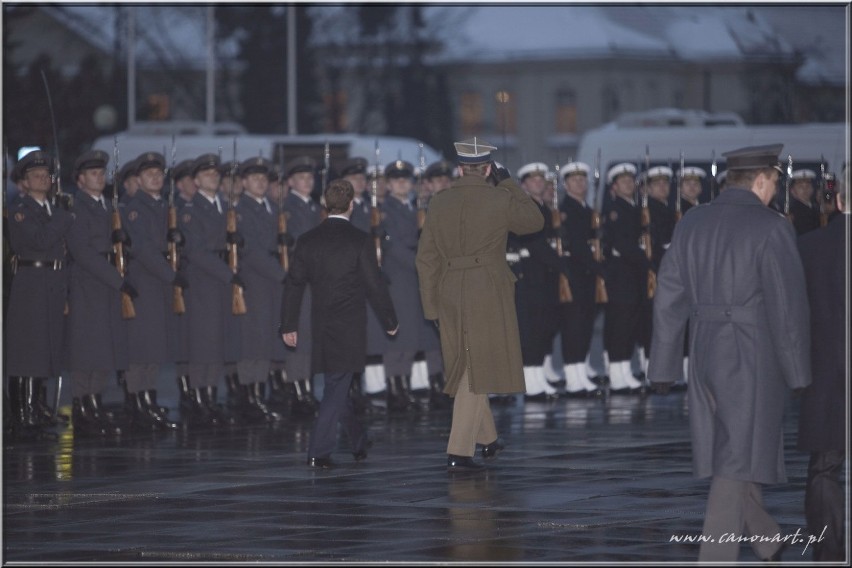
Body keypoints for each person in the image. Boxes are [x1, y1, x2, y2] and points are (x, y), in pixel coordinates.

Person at [648, 143, 811, 562]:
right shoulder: (772, 226)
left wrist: (664, 366)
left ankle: (766, 539)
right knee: (737, 459)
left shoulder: (691, 222)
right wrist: (799, 374)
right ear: (760, 180)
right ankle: (714, 557)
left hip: (703, 348)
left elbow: (668, 298)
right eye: (775, 182)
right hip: (750, 354)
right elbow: (787, 307)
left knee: (737, 446)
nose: (776, 190)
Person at [416, 137, 544, 472]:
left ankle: (487, 439)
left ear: (460, 168)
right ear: (488, 168)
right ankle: (459, 451)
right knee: (474, 367)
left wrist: (431, 306)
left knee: (469, 361)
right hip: (485, 288)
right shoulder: (499, 197)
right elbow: (535, 221)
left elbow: (426, 258)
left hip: (449, 288)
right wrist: (510, 184)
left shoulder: (439, 201)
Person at [281, 179, 398, 468]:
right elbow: (374, 285)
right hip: (349, 324)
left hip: (320, 322)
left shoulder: (307, 240)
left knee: (337, 382)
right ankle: (318, 451)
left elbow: (293, 284)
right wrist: (390, 320)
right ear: (351, 205)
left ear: (324, 204)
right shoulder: (359, 240)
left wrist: (288, 325)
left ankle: (358, 440)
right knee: (336, 386)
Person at [795, 163, 847, 561]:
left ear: (840, 199)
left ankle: (828, 553)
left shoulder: (809, 246)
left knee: (825, 468)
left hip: (828, 374)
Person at [4, 150, 74, 439]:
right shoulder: (21, 209)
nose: (43, 179)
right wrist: (61, 216)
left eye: (46, 175)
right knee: (27, 352)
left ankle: (36, 407)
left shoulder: (49, 209)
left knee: (44, 347)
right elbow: (39, 240)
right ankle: (24, 414)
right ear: (24, 183)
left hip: (52, 281)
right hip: (31, 282)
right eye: (36, 176)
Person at [65, 149, 133, 437]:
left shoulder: (108, 206)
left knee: (105, 348)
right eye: (93, 173)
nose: (99, 177)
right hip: (88, 285)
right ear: (80, 180)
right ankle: (83, 406)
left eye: (101, 173)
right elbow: (84, 253)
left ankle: (96, 402)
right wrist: (117, 280)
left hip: (106, 284)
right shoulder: (76, 208)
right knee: (87, 350)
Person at [177, 152, 238, 427]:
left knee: (217, 343)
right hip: (204, 281)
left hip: (221, 281)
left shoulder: (223, 208)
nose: (213, 177)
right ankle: (199, 398)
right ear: (197, 180)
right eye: (207, 175)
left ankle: (212, 397)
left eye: (216, 174)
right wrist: (229, 274)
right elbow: (198, 252)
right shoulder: (190, 211)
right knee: (202, 344)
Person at [121, 152, 181, 431]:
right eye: (149, 174)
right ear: (138, 180)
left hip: (159, 284)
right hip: (145, 282)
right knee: (141, 349)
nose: (156, 178)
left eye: (159, 174)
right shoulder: (136, 208)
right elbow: (144, 250)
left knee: (154, 346)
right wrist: (172, 276)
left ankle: (148, 400)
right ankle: (137, 404)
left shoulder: (163, 206)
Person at [379, 159, 444, 413]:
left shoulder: (420, 208)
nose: (402, 183)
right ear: (389, 184)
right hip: (401, 279)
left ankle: (429, 385)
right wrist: (423, 260)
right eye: (396, 180)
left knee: (425, 334)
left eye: (406, 179)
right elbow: (392, 247)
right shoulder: (386, 210)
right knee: (400, 339)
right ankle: (397, 389)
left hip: (422, 279)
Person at [230, 156, 285, 423]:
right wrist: (282, 274)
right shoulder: (241, 211)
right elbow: (251, 251)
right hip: (254, 284)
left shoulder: (273, 209)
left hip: (271, 285)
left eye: (264, 179)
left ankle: (258, 394)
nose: (261, 182)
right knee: (252, 342)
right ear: (243, 182)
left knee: (264, 342)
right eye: (255, 178)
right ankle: (248, 397)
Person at [510, 161, 564, 400]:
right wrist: (562, 264)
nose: (538, 183)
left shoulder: (544, 208)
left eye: (541, 179)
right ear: (523, 185)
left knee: (542, 330)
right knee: (531, 331)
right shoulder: (526, 209)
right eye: (532, 180)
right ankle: (531, 384)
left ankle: (538, 377)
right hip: (530, 278)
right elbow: (536, 245)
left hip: (544, 277)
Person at [556, 161, 604, 397]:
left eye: (583, 180)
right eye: (575, 180)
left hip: (587, 277)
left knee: (584, 326)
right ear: (565, 185)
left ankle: (580, 373)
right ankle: (572, 376)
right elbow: (576, 247)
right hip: (575, 275)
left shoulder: (585, 209)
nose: (580, 183)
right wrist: (599, 266)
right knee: (573, 327)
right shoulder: (568, 210)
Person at [601, 162, 647, 394]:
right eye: (623, 181)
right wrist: (646, 257)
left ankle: (625, 371)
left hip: (633, 276)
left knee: (630, 326)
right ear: (615, 187)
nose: (629, 184)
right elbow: (623, 245)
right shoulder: (616, 210)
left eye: (631, 180)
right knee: (620, 327)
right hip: (621, 277)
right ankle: (618, 375)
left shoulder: (635, 208)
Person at [788, 168, 821, 236]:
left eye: (808, 186)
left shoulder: (815, 207)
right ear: (793, 191)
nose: (805, 190)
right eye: (800, 187)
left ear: (812, 189)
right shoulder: (795, 211)